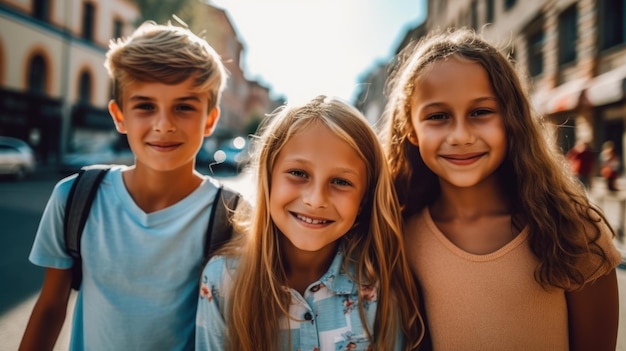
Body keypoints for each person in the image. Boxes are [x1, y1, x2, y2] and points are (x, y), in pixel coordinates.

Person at [380, 28, 621, 351]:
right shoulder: (397, 237)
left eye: (480, 112)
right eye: (438, 116)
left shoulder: (572, 230)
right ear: (410, 130)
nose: (461, 136)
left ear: (511, 119)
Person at [20, 21, 228, 351]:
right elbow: (49, 309)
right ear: (119, 116)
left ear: (210, 120)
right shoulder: (74, 197)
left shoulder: (231, 217)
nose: (164, 124)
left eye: (184, 107)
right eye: (145, 106)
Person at [195, 95, 425, 350]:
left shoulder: (379, 286)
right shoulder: (223, 281)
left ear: (364, 199)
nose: (316, 200)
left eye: (341, 182)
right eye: (298, 173)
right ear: (268, 178)